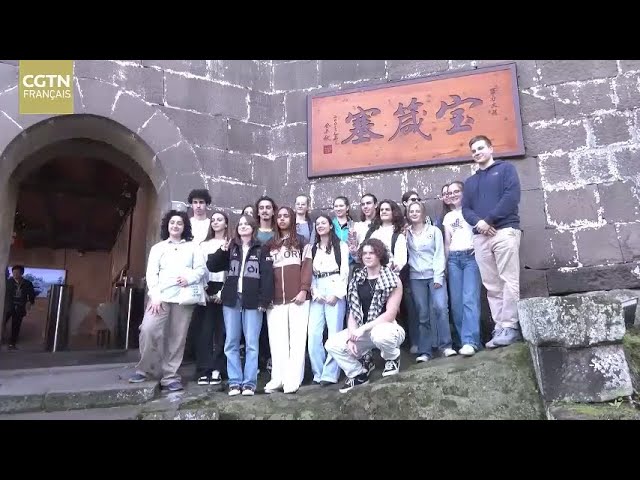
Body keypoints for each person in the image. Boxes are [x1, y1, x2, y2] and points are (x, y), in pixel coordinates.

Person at [129, 210, 207, 392]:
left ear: (184, 227)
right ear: (167, 225)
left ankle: (170, 376)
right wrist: (154, 296)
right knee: (148, 330)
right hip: (160, 298)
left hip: (184, 299)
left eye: (180, 223)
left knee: (176, 338)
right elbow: (151, 274)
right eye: (173, 222)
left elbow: (201, 270)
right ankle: (144, 369)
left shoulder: (193, 247)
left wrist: (190, 277)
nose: (176, 226)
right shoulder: (158, 248)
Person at [462, 134, 522, 349]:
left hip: (504, 230)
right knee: (492, 285)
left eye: (480, 148)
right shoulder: (470, 182)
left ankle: (510, 326)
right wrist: (480, 224)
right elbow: (466, 209)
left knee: (509, 280)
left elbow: (511, 197)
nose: (477, 153)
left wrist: (488, 220)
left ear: (491, 148)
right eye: (474, 150)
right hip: (481, 237)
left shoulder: (506, 170)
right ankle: (499, 327)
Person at [325, 238, 405, 393]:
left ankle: (392, 357)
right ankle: (358, 374)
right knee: (332, 344)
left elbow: (390, 314)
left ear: (380, 255)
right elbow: (353, 312)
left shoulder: (393, 279)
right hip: (364, 331)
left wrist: (362, 329)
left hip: (388, 330)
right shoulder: (357, 279)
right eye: (365, 253)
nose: (368, 256)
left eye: (372, 253)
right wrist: (351, 336)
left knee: (379, 333)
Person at [207, 214, 274, 396]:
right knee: (231, 342)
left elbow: (268, 276)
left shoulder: (261, 248)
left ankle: (249, 383)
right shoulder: (231, 248)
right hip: (231, 300)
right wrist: (222, 249)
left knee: (252, 343)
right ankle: (235, 382)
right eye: (240, 224)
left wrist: (264, 300)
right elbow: (212, 265)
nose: (243, 227)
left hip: (253, 301)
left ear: (253, 228)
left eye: (247, 224)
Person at [264, 206, 312, 394]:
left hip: (298, 298)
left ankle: (293, 379)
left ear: (292, 219)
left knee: (297, 340)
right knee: (277, 341)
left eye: (286, 216)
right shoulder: (270, 244)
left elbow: (307, 267)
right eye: (280, 216)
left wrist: (304, 290)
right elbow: (266, 272)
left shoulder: (302, 241)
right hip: (275, 300)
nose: (282, 219)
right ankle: (278, 378)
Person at [406, 201, 456, 362]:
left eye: (417, 211)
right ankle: (425, 351)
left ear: (423, 213)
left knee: (441, 308)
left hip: (434, 275)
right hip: (416, 278)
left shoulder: (434, 231)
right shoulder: (405, 234)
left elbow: (439, 254)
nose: (414, 213)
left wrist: (438, 276)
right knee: (422, 314)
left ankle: (446, 346)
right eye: (411, 211)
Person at [307, 214, 349, 386]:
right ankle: (318, 372)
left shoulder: (341, 246)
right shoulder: (313, 248)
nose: (320, 226)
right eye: (317, 224)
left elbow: (345, 271)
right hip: (318, 287)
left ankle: (330, 374)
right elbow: (309, 272)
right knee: (314, 334)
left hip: (334, 285)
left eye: (324, 223)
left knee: (334, 333)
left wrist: (338, 294)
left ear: (331, 226)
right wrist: (314, 292)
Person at [443, 181, 482, 356]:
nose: (453, 195)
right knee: (457, 303)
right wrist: (444, 263)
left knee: (469, 299)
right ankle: (462, 340)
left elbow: (481, 228)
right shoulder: (448, 217)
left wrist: (479, 246)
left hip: (470, 257)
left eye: (456, 191)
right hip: (453, 259)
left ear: (464, 192)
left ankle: (471, 341)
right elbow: (447, 241)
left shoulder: (473, 210)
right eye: (450, 192)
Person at [193, 211, 229, 385]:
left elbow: (233, 270)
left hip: (225, 288)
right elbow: (200, 267)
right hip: (206, 288)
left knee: (222, 332)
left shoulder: (230, 243)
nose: (215, 222)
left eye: (219, 219)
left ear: (226, 224)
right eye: (213, 220)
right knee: (205, 331)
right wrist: (204, 290)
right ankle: (204, 369)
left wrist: (223, 292)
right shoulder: (203, 245)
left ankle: (218, 369)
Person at [4, 265, 36, 350]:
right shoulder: (8, 282)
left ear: (22, 273)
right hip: (8, 307)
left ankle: (12, 343)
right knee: (2, 323)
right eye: (13, 272)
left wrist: (30, 302)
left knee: (16, 326)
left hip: (20, 307)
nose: (15, 274)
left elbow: (32, 295)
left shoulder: (27, 283)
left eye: (17, 272)